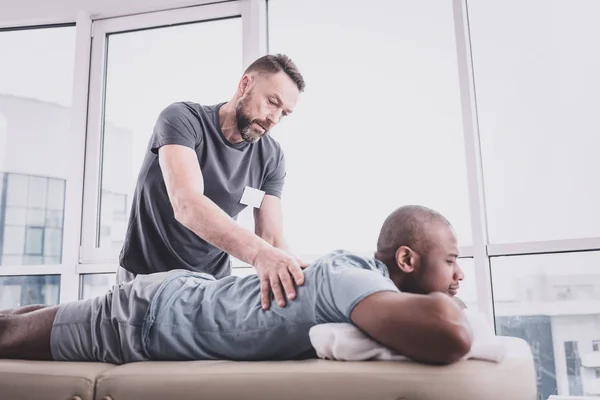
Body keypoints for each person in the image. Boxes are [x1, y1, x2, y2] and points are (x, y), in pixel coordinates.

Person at [0, 205, 471, 366]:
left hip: (174, 300)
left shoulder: (359, 280)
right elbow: (450, 334)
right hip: (151, 316)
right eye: (451, 261)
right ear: (406, 259)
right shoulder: (355, 280)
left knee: (26, 319)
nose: (459, 275)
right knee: (10, 335)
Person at [117, 53, 307, 310]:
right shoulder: (183, 119)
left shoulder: (271, 157)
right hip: (146, 280)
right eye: (272, 102)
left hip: (211, 286)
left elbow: (271, 238)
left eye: (284, 113)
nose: (274, 118)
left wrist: (305, 273)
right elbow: (187, 205)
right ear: (245, 85)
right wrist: (259, 254)